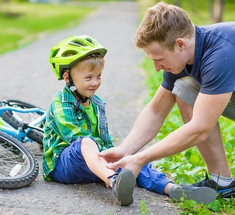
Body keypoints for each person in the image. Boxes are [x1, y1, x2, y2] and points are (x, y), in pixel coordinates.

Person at [42, 35, 216, 206]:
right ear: (67, 77)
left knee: (131, 159)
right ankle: (114, 182)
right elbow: (74, 136)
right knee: (86, 142)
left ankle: (172, 189)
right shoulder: (61, 102)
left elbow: (104, 139)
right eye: (88, 78)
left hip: (94, 164)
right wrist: (107, 163)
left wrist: (116, 158)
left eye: (99, 76)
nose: (95, 83)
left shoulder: (96, 103)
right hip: (63, 166)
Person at [99, 2, 235, 200]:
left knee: (186, 91)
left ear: (180, 44)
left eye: (159, 59)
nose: (156, 68)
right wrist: (124, 150)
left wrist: (141, 158)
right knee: (183, 88)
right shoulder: (185, 55)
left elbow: (200, 128)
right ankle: (221, 182)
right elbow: (156, 110)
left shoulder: (220, 54)